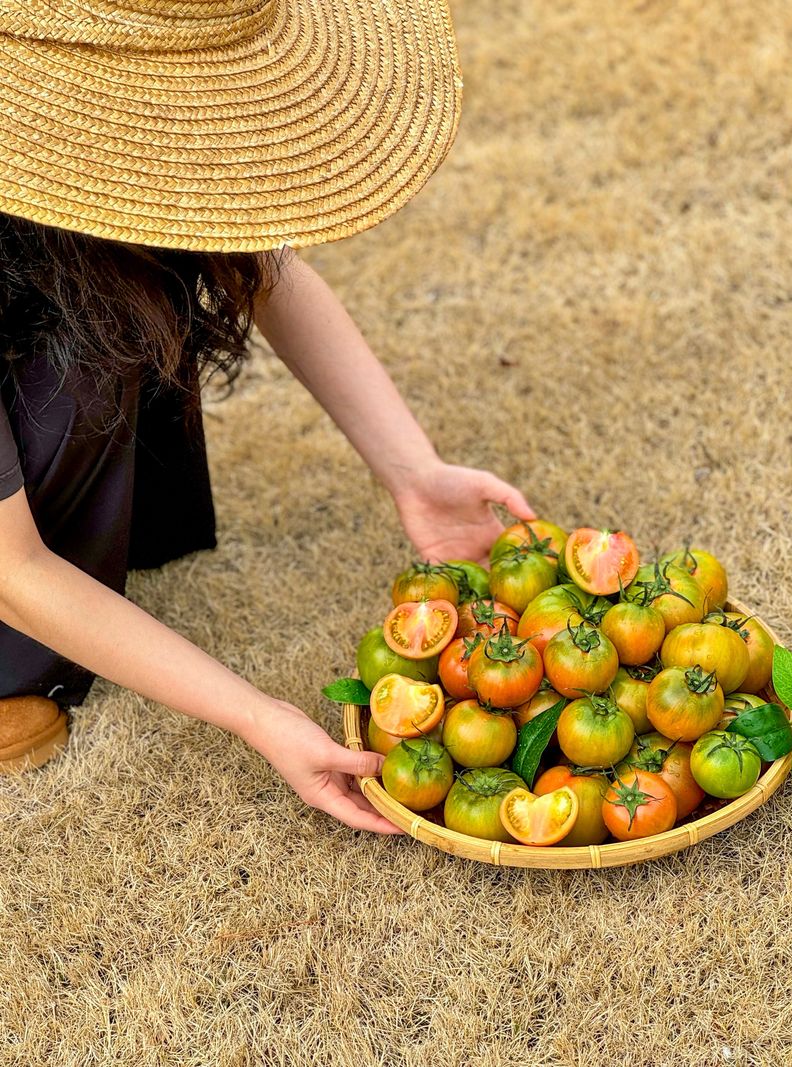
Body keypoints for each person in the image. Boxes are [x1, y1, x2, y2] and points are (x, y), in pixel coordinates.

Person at [0, 1, 534, 834]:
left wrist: (412, 471)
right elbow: (16, 573)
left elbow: (262, 261)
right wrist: (257, 715)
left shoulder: (117, 178)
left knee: (131, 287)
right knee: (73, 364)